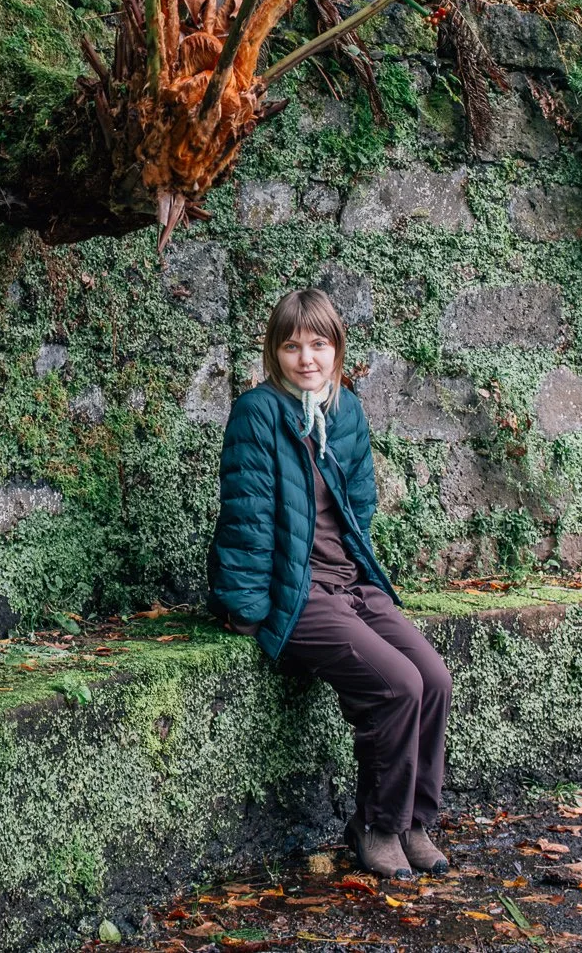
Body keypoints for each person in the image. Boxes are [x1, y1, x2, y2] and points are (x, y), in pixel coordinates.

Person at [207, 287, 452, 880]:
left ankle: (413, 820)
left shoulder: (345, 411)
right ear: (275, 353)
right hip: (299, 594)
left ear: (336, 348)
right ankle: (376, 825)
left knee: (435, 679)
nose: (306, 358)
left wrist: (360, 581)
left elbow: (359, 507)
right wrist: (246, 609)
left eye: (318, 343)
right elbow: (247, 516)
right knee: (396, 685)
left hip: (350, 582)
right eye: (292, 346)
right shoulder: (258, 413)